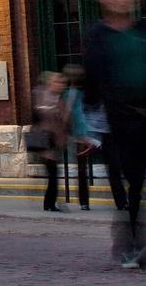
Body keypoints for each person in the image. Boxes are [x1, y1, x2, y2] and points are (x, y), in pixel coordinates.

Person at [82, 0, 146, 275]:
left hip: (142, 119)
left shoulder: (144, 32)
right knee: (125, 187)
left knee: (139, 185)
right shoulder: (96, 35)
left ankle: (128, 245)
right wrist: (89, 127)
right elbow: (90, 79)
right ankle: (145, 249)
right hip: (111, 122)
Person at [29, 70, 70, 211]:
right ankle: (49, 204)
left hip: (54, 142)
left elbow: (63, 122)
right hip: (46, 142)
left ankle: (49, 203)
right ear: (50, 83)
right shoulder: (43, 96)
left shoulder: (58, 99)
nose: (62, 85)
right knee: (53, 173)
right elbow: (42, 116)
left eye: (63, 83)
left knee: (53, 174)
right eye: (59, 82)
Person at [63, 63, 94, 211]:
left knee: (82, 169)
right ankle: (84, 201)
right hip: (87, 132)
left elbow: (68, 114)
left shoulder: (70, 93)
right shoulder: (81, 93)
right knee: (82, 169)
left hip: (80, 133)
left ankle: (84, 201)